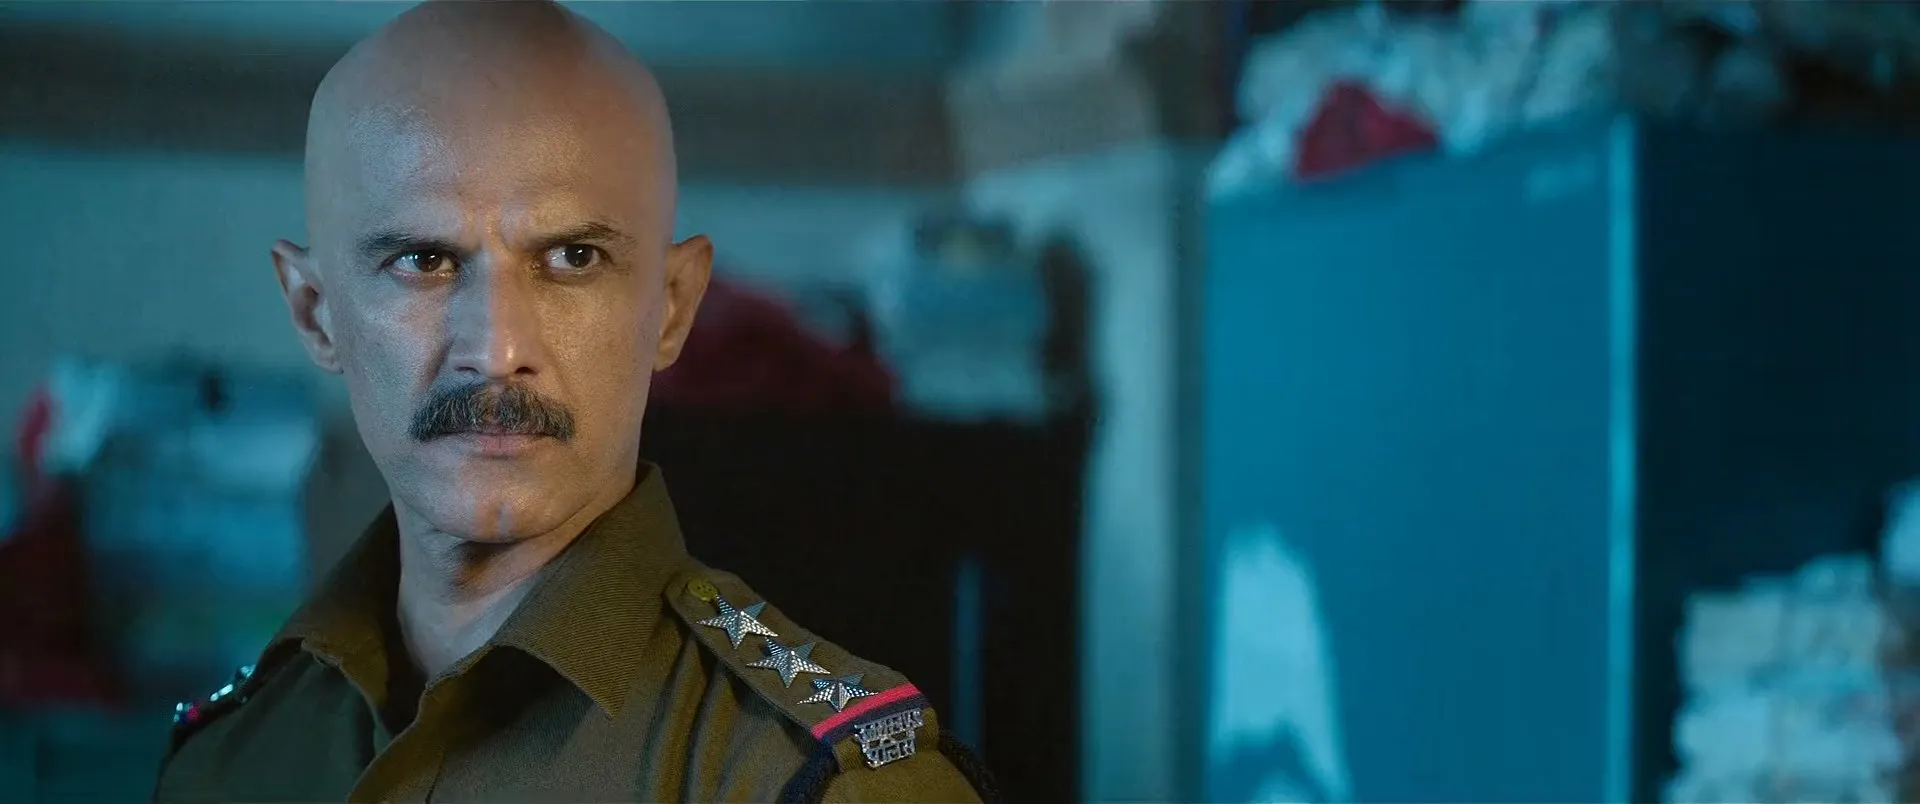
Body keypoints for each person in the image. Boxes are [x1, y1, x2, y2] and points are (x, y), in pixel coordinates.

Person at [150, 2, 993, 801]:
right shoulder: (232, 759)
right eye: (423, 261)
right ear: (315, 312)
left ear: (672, 307)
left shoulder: (818, 784)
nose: (497, 351)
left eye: (573, 259)